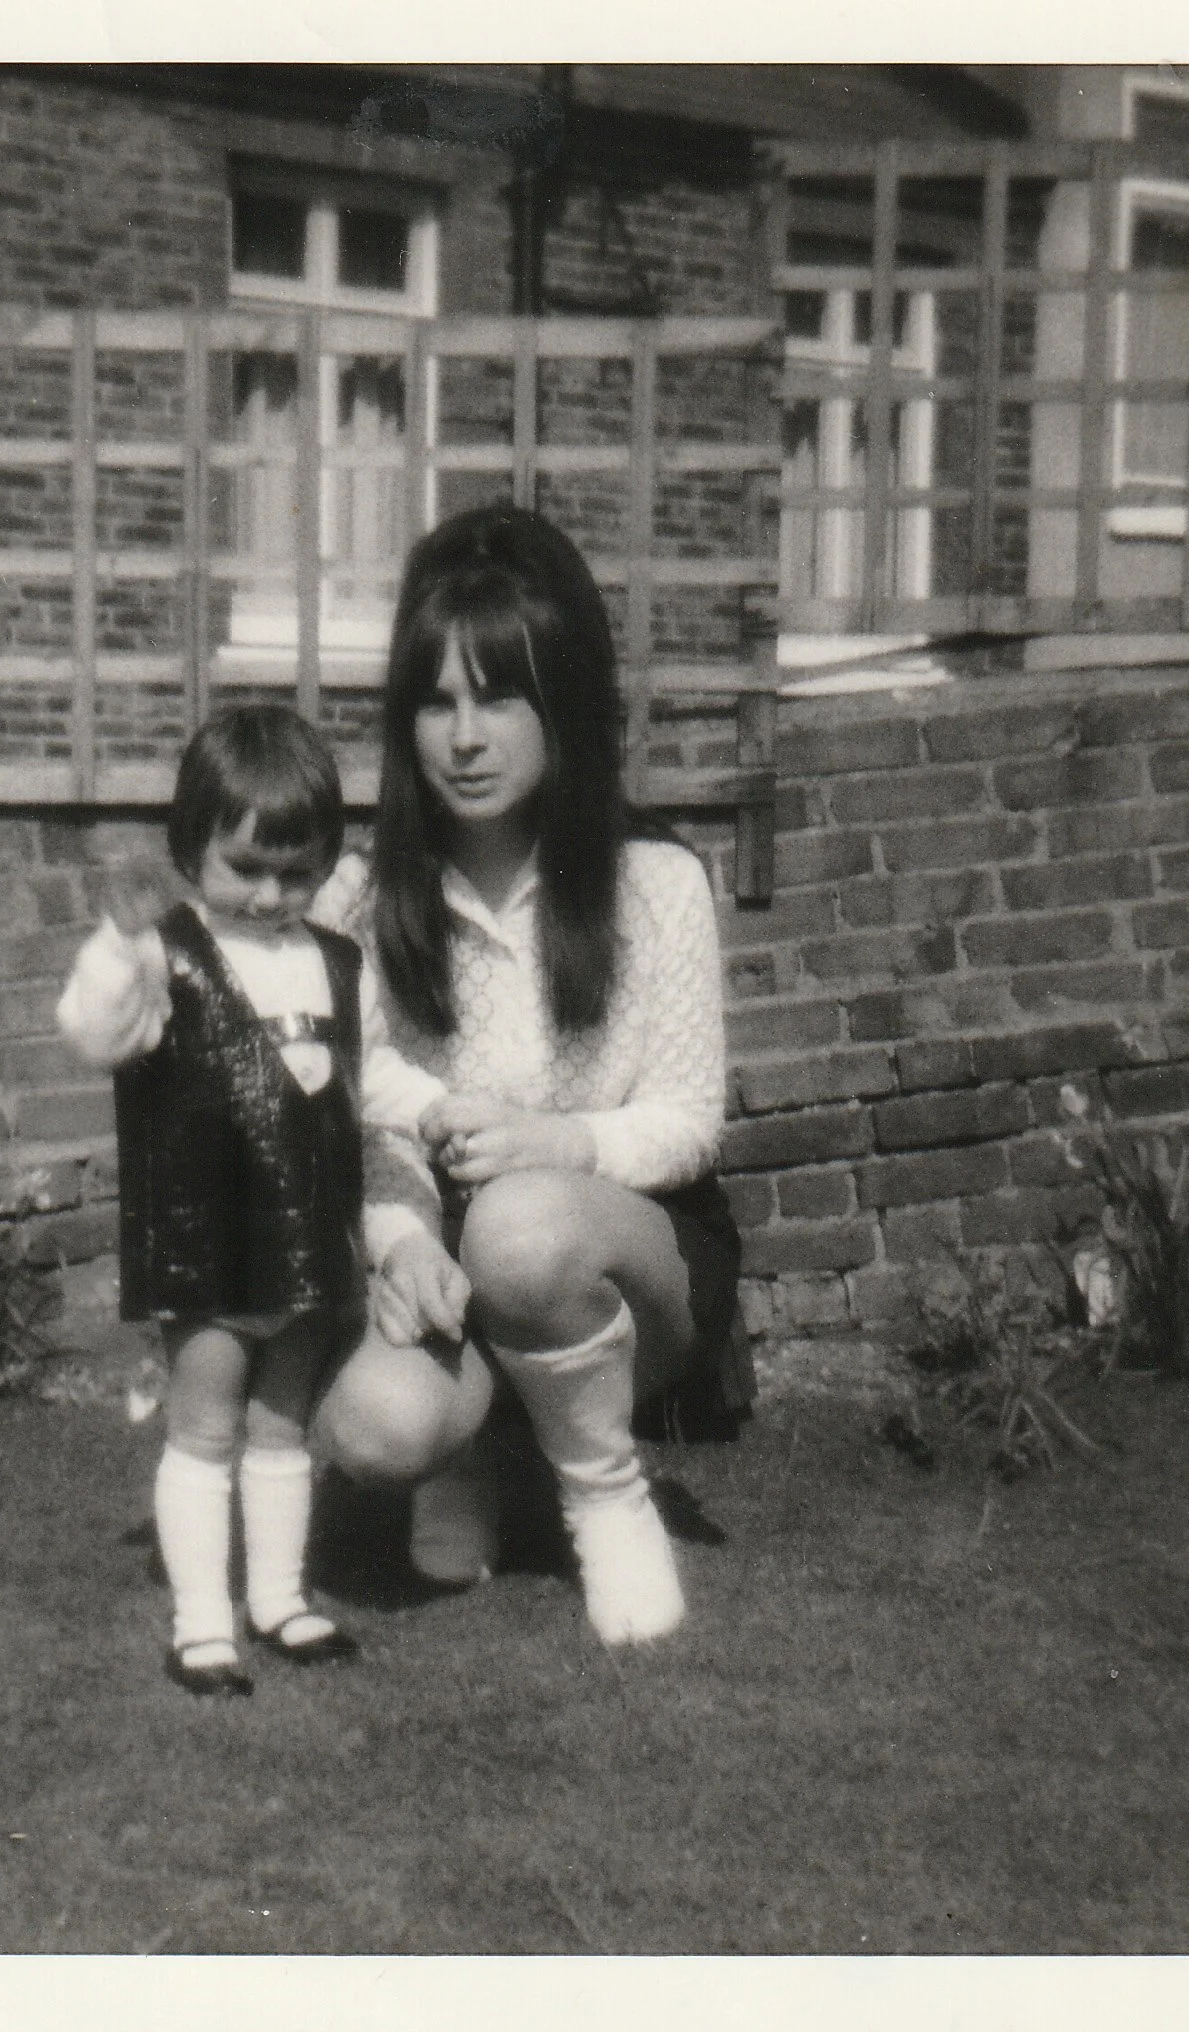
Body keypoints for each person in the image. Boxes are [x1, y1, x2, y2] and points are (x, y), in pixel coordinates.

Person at [311, 502, 753, 1648]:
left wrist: (559, 1144)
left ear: (562, 700)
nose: (463, 736)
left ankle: (606, 1495)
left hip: (617, 1258)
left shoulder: (654, 883)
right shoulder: (356, 902)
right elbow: (352, 1121)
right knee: (368, 1427)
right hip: (442, 1247)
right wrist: (399, 1244)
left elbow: (690, 1124)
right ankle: (470, 1458)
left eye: (499, 696)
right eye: (436, 701)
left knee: (517, 1229)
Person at [55, 705, 449, 1698]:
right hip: (206, 1236)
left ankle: (277, 1596)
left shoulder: (338, 961)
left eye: (297, 871)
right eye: (245, 868)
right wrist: (116, 945)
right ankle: (201, 1620)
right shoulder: (164, 955)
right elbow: (93, 1033)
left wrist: (449, 1108)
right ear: (192, 849)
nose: (271, 892)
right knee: (206, 1425)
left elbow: (371, 1079)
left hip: (311, 1237)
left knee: (281, 1427)